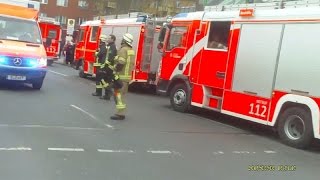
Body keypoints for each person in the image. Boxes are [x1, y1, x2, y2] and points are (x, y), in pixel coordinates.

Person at [110, 33, 135, 120]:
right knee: (122, 95)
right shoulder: (131, 50)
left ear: (124, 40)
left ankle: (120, 114)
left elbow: (121, 62)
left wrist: (115, 70)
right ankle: (121, 112)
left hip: (121, 77)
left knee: (118, 95)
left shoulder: (123, 50)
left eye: (122, 39)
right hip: (127, 77)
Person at [100, 34, 117, 100]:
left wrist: (105, 65)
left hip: (109, 67)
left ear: (112, 39)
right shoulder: (109, 46)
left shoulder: (112, 47)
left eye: (109, 38)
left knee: (105, 80)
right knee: (106, 81)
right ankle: (107, 94)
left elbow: (110, 57)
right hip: (107, 66)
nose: (107, 39)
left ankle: (108, 93)